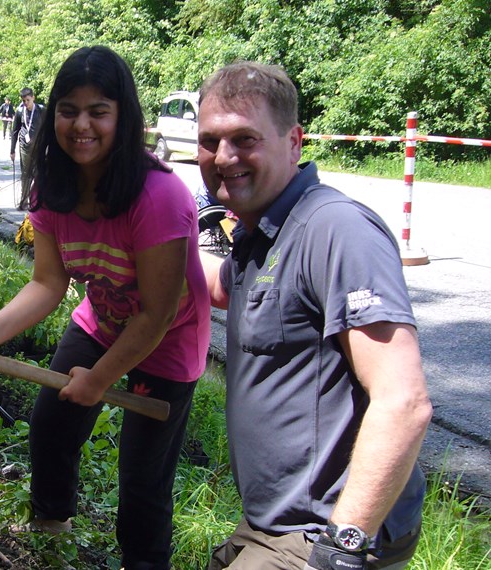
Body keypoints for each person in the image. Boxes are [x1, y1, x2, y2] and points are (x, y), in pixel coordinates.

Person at [0, 46, 210, 569]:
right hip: (102, 321)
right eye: (69, 109)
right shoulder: (55, 187)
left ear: (124, 116)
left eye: (99, 111)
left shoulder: (157, 195)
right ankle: (52, 535)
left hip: (167, 341)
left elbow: (156, 314)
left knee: (141, 478)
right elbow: (47, 284)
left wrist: (98, 378)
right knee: (51, 425)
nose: (81, 124)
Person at [198, 61, 431, 570]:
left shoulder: (335, 230)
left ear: (294, 142)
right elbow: (222, 287)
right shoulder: (262, 231)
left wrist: (340, 547)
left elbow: (405, 401)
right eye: (209, 140)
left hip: (320, 532)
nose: (223, 156)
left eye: (244, 139)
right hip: (270, 522)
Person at [10, 87, 44, 210]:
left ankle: (37, 200)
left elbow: (48, 129)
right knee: (26, 173)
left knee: (38, 173)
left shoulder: (41, 110)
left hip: (39, 146)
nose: (26, 103)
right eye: (24, 101)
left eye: (28, 100)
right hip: (24, 146)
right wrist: (12, 150)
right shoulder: (20, 111)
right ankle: (24, 200)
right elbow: (15, 131)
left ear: (33, 98)